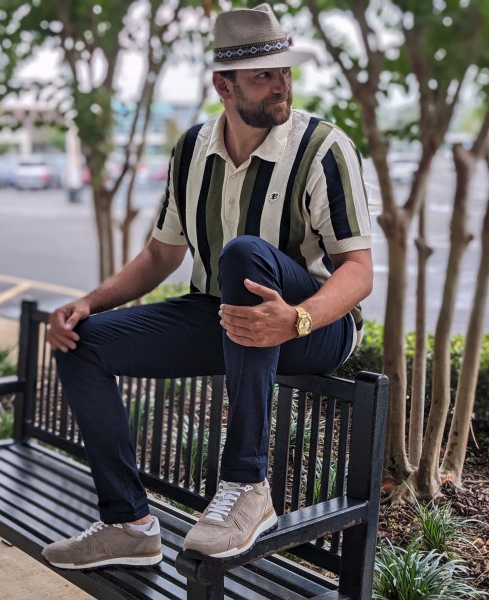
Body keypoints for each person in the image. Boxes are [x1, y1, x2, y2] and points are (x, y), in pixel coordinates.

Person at [41, 3, 373, 570]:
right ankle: (128, 523)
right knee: (83, 341)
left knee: (242, 253)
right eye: (263, 75)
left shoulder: (322, 147)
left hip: (316, 324)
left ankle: (248, 485)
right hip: (223, 314)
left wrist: (296, 319)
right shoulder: (192, 149)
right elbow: (160, 254)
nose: (280, 86)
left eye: (285, 72)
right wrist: (88, 303)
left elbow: (359, 271)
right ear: (223, 84)